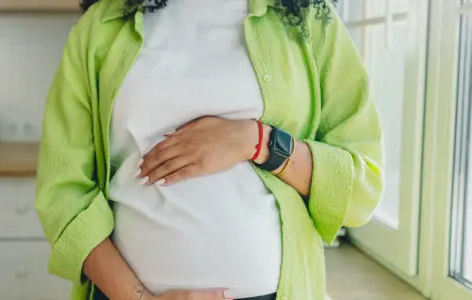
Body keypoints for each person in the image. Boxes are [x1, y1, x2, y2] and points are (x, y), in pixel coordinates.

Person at [35, 0, 383, 299]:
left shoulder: (310, 21)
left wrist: (257, 141)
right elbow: (63, 194)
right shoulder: (103, 25)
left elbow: (360, 187)